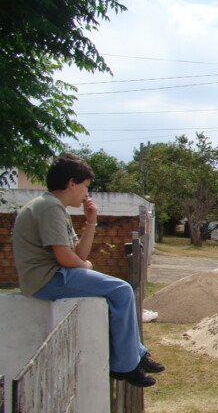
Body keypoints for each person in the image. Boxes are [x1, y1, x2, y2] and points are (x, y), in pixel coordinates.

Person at [12, 153, 164, 388]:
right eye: (85, 187)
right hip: (47, 279)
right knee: (121, 289)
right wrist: (86, 266)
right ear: (71, 183)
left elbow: (78, 253)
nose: (86, 194)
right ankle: (126, 366)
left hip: (52, 276)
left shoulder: (54, 207)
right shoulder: (49, 207)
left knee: (119, 290)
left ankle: (136, 355)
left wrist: (91, 221)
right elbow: (66, 258)